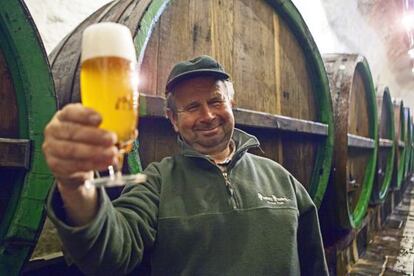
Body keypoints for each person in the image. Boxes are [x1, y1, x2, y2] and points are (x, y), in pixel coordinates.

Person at [43, 55, 329, 275]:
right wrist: (76, 186)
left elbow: (315, 264)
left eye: (216, 101)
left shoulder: (280, 178)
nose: (207, 115)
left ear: (231, 105)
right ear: (173, 119)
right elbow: (112, 253)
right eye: (192, 107)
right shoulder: (157, 181)